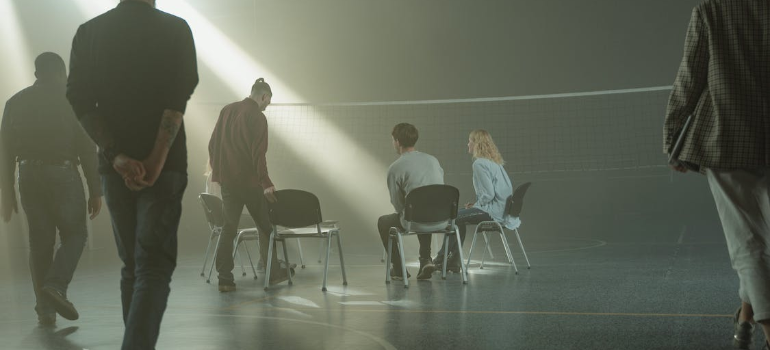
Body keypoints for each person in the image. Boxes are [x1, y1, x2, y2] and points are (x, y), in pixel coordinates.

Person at [66, 0, 198, 348]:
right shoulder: (176, 29)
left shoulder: (89, 33)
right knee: (152, 266)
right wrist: (156, 158)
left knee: (132, 267)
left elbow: (79, 100)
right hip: (165, 168)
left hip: (115, 170)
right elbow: (176, 98)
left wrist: (117, 156)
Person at [663, 1, 770, 349]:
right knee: (758, 241)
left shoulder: (712, 8)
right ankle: (744, 322)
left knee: (749, 243)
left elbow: (690, 76)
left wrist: (673, 137)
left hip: (728, 138)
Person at [0, 52, 102, 326]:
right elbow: (87, 147)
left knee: (40, 242)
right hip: (62, 171)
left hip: (27, 174)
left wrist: (7, 190)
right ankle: (56, 286)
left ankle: (45, 310)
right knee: (76, 233)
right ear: (61, 73)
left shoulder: (14, 102)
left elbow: (5, 150)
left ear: (36, 74)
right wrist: (96, 189)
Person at [208, 78, 291, 292]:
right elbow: (258, 154)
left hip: (228, 182)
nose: (267, 106)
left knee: (229, 228)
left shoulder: (226, 110)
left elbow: (212, 144)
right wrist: (266, 183)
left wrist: (218, 171)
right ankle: (272, 274)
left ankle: (225, 279)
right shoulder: (258, 118)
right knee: (266, 226)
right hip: (249, 182)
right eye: (268, 102)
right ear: (263, 96)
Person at [434, 129, 519, 272]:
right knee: (457, 218)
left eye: (470, 141)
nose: (467, 144)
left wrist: (478, 205)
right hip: (502, 211)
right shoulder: (495, 162)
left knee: (453, 218)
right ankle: (453, 262)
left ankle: (441, 258)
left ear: (476, 144)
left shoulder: (479, 164)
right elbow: (493, 193)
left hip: (493, 213)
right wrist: (476, 205)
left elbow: (489, 194)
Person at [377, 123, 444, 280]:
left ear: (398, 142)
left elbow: (398, 204)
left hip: (415, 219)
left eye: (393, 140)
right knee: (424, 209)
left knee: (384, 222)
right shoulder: (433, 160)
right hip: (441, 219)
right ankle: (425, 259)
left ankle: (399, 269)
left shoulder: (395, 168)